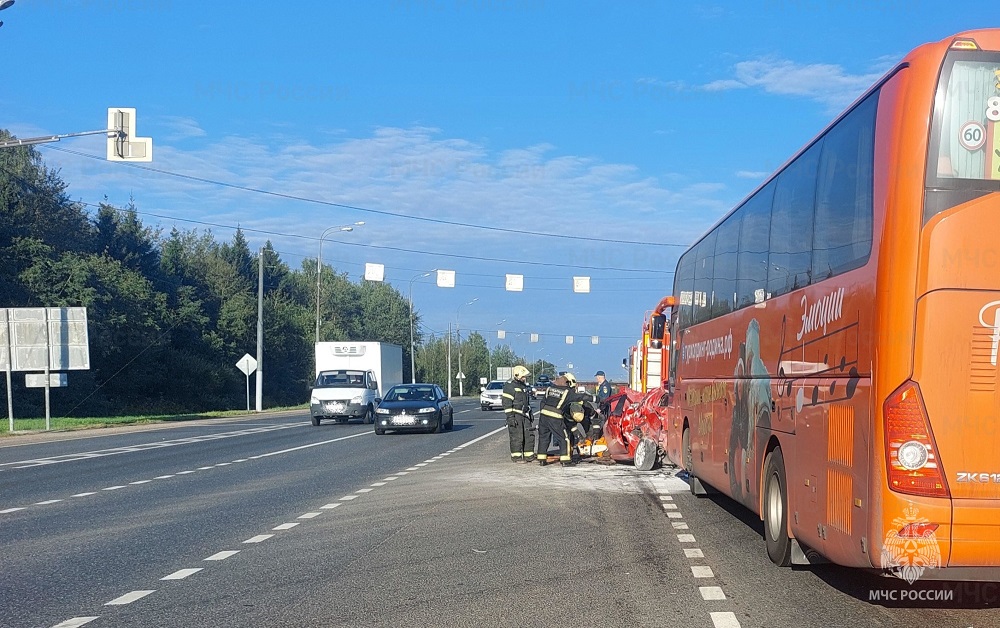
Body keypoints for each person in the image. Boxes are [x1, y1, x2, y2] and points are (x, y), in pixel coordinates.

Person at [537, 373, 588, 466]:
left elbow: (542, 402)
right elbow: (580, 397)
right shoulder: (566, 392)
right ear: (568, 383)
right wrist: (596, 398)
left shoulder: (549, 389)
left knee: (543, 438)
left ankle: (541, 459)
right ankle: (565, 461)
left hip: (543, 417)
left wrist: (543, 414)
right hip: (555, 418)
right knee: (564, 438)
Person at [502, 365, 535, 463]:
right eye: (523, 376)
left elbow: (526, 402)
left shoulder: (523, 386)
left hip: (525, 415)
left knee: (529, 435)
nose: (525, 378)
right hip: (516, 415)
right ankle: (516, 457)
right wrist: (510, 418)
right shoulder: (510, 387)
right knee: (517, 436)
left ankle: (529, 455)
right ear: (517, 375)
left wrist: (530, 413)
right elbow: (506, 404)